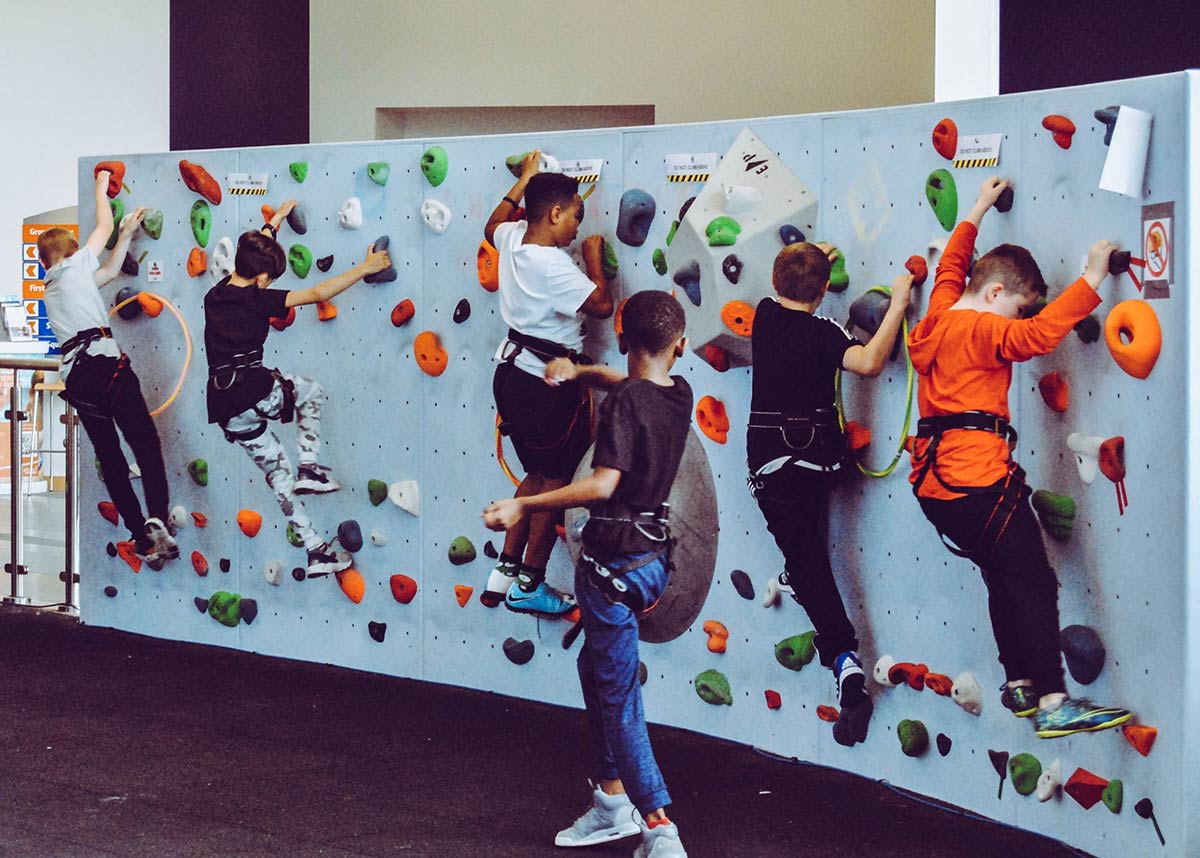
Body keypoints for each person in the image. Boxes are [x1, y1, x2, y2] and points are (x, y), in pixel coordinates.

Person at [907, 175, 1132, 738]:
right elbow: (1036, 336)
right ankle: (1056, 701)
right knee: (1032, 581)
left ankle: (1018, 683)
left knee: (1001, 577)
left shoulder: (937, 316)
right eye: (1014, 306)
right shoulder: (984, 329)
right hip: (978, 482)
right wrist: (1092, 278)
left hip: (936, 488)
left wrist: (978, 207)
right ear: (993, 296)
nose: (1014, 317)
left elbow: (950, 268)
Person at [484, 289, 692, 857]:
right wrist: (578, 370)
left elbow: (603, 484)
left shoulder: (625, 404)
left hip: (612, 565)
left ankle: (658, 826)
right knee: (594, 666)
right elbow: (624, 381)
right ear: (682, 345)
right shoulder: (678, 394)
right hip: (651, 564)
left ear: (623, 339)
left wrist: (526, 506)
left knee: (618, 693)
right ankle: (610, 799)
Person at [747, 241, 913, 746]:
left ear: (776, 284)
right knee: (806, 555)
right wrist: (901, 305)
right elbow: (866, 362)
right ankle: (838, 649)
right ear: (824, 291)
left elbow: (791, 286)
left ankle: (845, 665)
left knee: (805, 557)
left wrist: (808, 258)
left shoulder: (764, 315)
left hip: (773, 463)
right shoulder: (824, 332)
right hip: (818, 462)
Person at [203, 202, 390, 578]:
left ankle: (316, 549)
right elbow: (319, 292)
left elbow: (253, 252)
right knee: (312, 391)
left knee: (277, 474)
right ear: (261, 280)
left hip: (224, 404)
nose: (270, 283)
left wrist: (272, 225)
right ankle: (309, 466)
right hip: (254, 388)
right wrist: (366, 267)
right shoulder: (258, 297)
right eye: (269, 278)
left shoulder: (217, 291)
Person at [481, 151, 613, 615]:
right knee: (556, 481)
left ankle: (504, 570)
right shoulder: (551, 264)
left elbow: (491, 223)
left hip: (512, 376)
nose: (578, 226)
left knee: (536, 476)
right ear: (555, 214)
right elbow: (601, 306)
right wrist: (594, 260)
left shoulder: (514, 236)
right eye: (577, 215)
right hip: (546, 386)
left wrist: (525, 180)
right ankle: (530, 583)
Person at [39, 171, 177, 567]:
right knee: (146, 445)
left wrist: (129, 234)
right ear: (70, 251)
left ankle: (143, 539)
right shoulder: (75, 265)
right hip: (104, 365)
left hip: (79, 380)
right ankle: (158, 517)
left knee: (112, 457)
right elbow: (102, 226)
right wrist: (102, 187)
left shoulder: (57, 285)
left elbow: (111, 272)